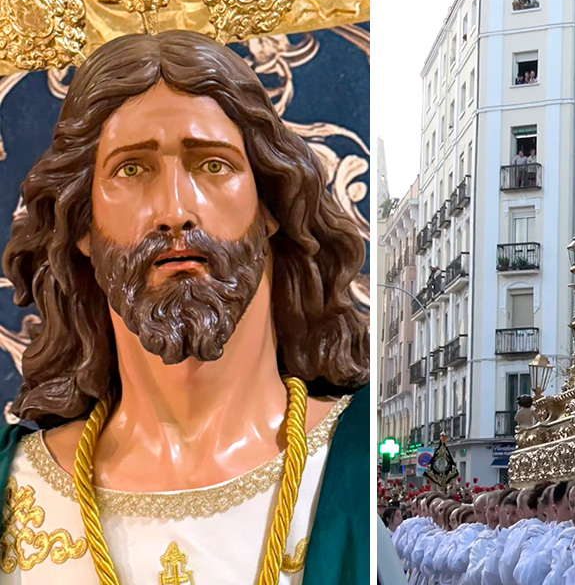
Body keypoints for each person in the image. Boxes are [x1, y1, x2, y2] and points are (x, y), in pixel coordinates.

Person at [0, 31, 369, 584]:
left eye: (213, 165)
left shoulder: (359, 465)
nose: (175, 209)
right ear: (82, 224)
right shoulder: (16, 486)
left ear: (269, 205)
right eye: (131, 169)